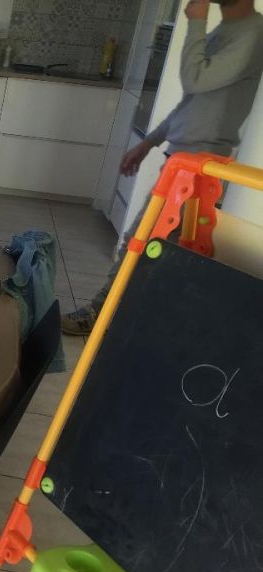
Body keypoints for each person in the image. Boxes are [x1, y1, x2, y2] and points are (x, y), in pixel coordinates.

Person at [62, 0, 263, 335]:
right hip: (186, 160)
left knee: (143, 241)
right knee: (154, 245)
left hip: (201, 165)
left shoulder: (254, 33)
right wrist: (148, 143)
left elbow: (194, 80)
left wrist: (196, 21)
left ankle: (102, 313)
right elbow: (191, 103)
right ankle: (123, 318)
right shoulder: (230, 30)